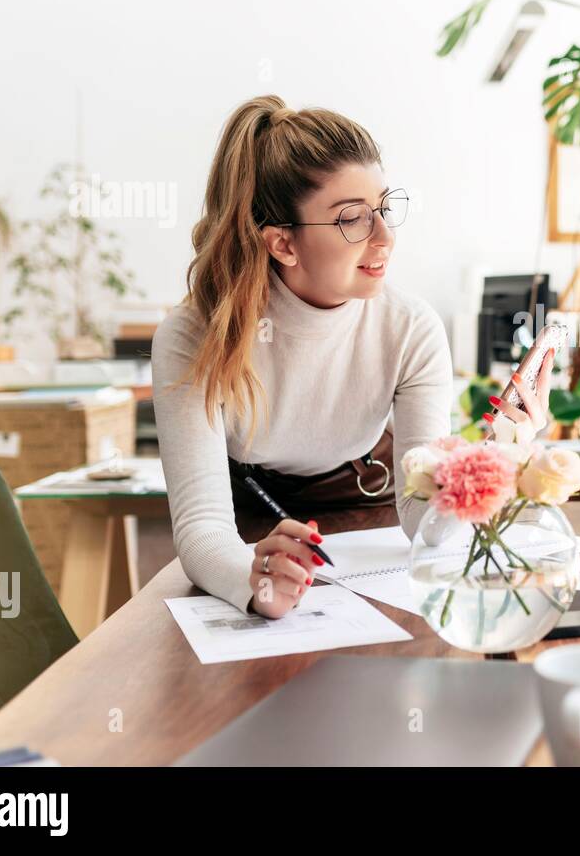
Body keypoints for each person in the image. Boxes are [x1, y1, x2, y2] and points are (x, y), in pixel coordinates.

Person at [152, 95, 552, 618]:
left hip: (370, 503)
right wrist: (253, 585)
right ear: (283, 245)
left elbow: (422, 523)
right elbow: (204, 529)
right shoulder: (193, 337)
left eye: (384, 210)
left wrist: (500, 447)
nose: (385, 237)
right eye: (351, 220)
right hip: (252, 521)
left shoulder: (411, 329)